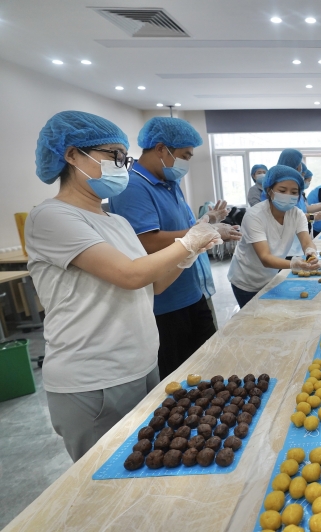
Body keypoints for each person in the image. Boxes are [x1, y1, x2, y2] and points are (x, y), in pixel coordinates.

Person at [28, 111, 220, 461]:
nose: (121, 165)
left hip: (142, 366)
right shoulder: (52, 217)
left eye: (123, 156)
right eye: (113, 155)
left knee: (147, 466)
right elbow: (129, 274)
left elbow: (154, 284)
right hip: (94, 379)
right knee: (106, 479)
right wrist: (188, 242)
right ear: (72, 155)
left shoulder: (114, 221)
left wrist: (190, 254)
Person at [109, 117, 241, 379]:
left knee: (210, 368)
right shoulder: (132, 187)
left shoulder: (169, 183)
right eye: (184, 156)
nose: (186, 163)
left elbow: (183, 230)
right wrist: (209, 233)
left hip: (191, 290)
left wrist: (208, 221)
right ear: (161, 149)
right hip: (166, 303)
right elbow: (148, 240)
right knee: (180, 379)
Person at [228, 165, 321, 307]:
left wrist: (310, 252)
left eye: (294, 192)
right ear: (269, 190)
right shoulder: (255, 215)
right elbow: (265, 258)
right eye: (282, 190)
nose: (288, 195)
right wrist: (294, 264)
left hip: (270, 277)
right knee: (254, 322)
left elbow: (306, 241)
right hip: (247, 280)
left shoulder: (296, 214)